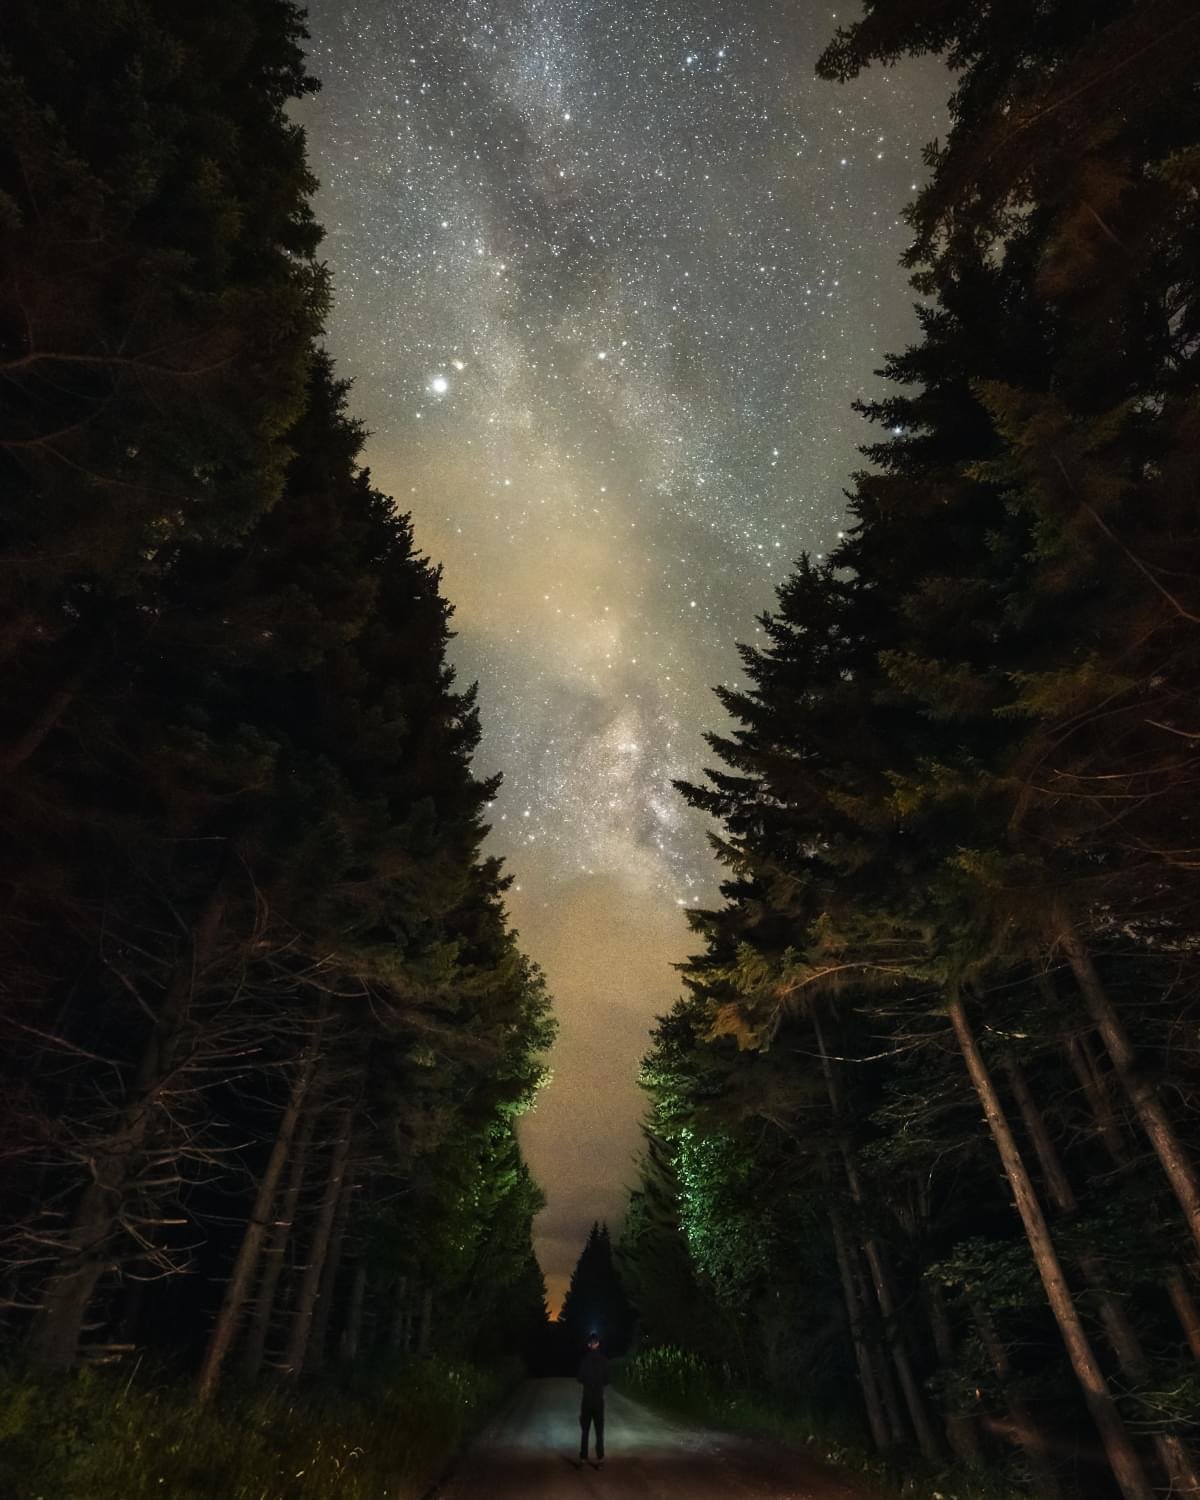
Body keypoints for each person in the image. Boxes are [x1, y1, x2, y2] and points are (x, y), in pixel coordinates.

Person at [576, 1331, 608, 1465]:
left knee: (585, 1430)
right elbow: (606, 1380)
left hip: (587, 1400)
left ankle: (583, 1457)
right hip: (598, 1400)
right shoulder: (604, 1361)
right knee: (599, 1431)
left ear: (589, 1345)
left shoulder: (584, 1361)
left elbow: (580, 1378)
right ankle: (600, 1458)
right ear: (598, 1344)